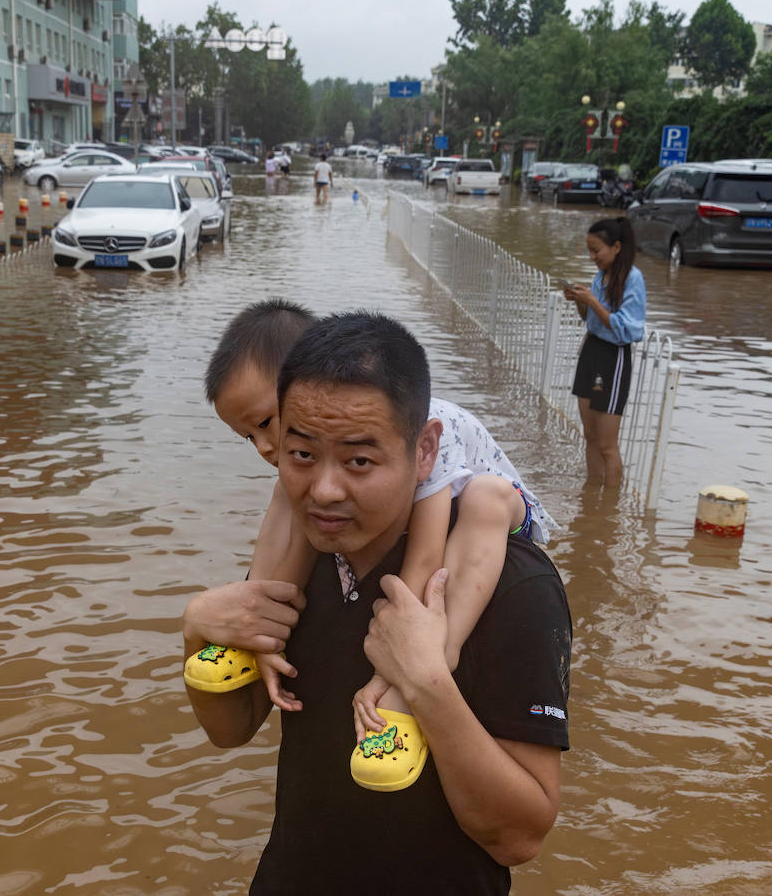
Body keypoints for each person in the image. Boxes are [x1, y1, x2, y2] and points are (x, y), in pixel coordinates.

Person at [182, 312, 571, 891]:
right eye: (301, 454)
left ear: (425, 451)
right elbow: (232, 728)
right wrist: (196, 632)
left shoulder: (510, 586)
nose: (325, 490)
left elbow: (519, 837)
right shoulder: (308, 547)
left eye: (359, 460)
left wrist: (426, 683)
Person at [561, 217, 646, 486]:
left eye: (597, 250)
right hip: (592, 350)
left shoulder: (633, 278)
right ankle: (591, 500)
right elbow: (591, 320)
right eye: (590, 251)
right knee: (590, 436)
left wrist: (593, 301)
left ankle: (608, 510)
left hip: (613, 357)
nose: (592, 257)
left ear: (617, 247)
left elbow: (628, 330)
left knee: (607, 444)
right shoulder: (601, 276)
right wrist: (580, 301)